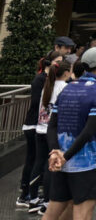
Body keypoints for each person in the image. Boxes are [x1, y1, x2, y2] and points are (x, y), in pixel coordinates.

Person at [44, 47, 96, 220]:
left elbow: (52, 126)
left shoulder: (68, 88)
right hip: (86, 164)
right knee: (82, 215)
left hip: (61, 161)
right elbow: (89, 131)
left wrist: (55, 152)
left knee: (52, 214)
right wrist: (65, 157)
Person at [29, 58, 70, 215]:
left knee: (39, 163)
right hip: (53, 132)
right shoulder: (64, 87)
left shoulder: (47, 85)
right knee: (50, 167)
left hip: (40, 128)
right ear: (66, 72)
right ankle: (47, 202)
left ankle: (33, 199)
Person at [17, 52, 59, 209]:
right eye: (57, 62)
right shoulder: (40, 80)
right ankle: (25, 194)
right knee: (33, 160)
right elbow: (36, 103)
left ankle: (32, 194)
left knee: (37, 160)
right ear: (50, 63)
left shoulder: (49, 80)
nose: (59, 66)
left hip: (39, 125)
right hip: (33, 125)